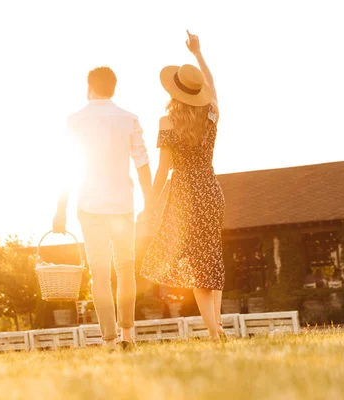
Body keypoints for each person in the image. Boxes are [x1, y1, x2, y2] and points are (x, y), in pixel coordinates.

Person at [53, 66, 154, 351]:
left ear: (90, 87)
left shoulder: (75, 120)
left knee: (99, 273)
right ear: (113, 87)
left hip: (90, 206)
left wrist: (60, 210)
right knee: (125, 269)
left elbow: (67, 167)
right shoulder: (129, 119)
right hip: (122, 205)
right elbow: (142, 162)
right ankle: (127, 335)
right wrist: (150, 202)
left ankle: (109, 340)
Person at [140, 31, 226, 341]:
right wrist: (199, 53)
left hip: (185, 195)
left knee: (199, 267)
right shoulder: (212, 113)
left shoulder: (167, 123)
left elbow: (162, 170)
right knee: (211, 261)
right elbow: (213, 85)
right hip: (211, 189)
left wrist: (149, 204)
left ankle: (215, 333)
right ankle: (217, 326)